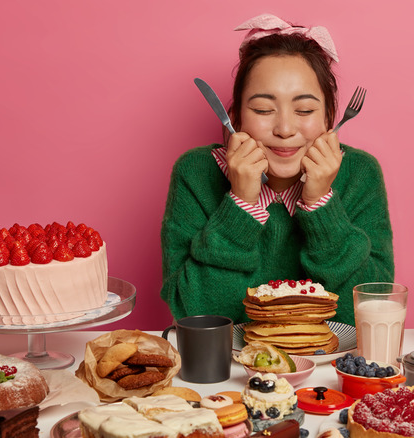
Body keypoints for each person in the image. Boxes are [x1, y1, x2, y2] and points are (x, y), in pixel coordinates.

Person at [160, 14, 393, 325]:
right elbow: (196, 316)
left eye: (305, 110)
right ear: (236, 117)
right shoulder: (196, 172)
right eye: (263, 110)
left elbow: (372, 313)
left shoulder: (360, 173)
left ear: (329, 118)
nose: (284, 129)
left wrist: (321, 205)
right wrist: (241, 204)